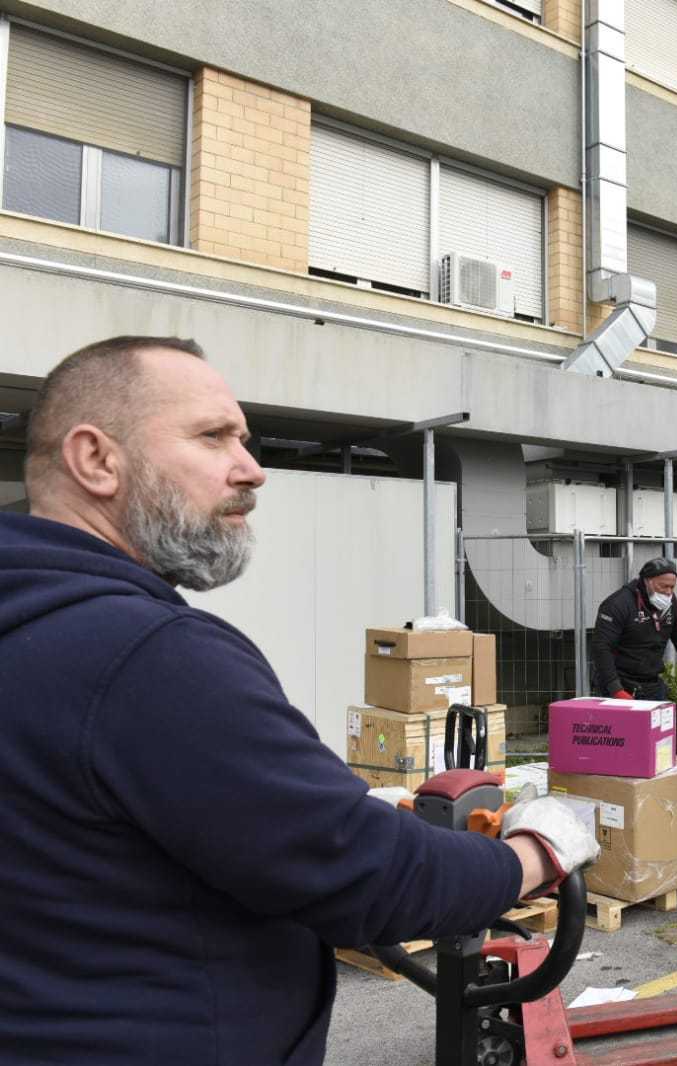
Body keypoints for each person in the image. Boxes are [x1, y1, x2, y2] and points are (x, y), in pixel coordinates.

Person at [0, 336, 598, 1065]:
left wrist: (311, 810)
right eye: (213, 436)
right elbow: (367, 879)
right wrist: (536, 853)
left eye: (245, 440)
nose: (252, 470)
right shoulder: (148, 654)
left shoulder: (30, 618)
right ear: (96, 460)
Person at [592, 556, 677, 700]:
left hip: (652, 685)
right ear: (647, 581)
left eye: (672, 587)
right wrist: (615, 688)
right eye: (663, 586)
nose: (668, 592)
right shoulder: (617, 604)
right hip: (620, 685)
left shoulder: (674, 606)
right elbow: (602, 648)